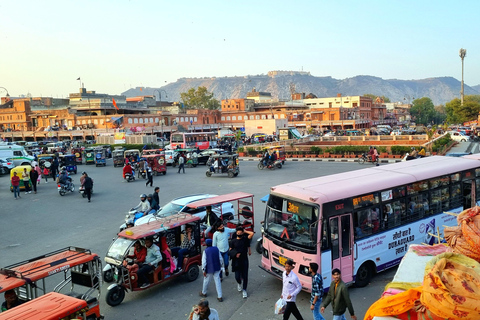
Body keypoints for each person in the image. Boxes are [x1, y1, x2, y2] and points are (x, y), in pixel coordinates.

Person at [229, 226, 254, 298]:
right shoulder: (233, 241)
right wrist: (235, 254)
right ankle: (239, 283)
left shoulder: (245, 239)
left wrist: (245, 231)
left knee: (245, 275)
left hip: (244, 259)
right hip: (236, 261)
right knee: (237, 276)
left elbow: (251, 234)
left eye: (240, 232)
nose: (239, 234)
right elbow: (230, 251)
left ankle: (244, 289)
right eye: (238, 233)